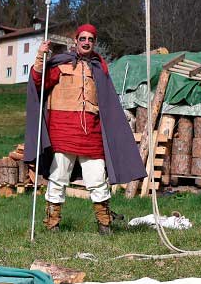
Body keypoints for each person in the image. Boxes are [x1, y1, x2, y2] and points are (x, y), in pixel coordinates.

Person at [24, 24, 143, 234]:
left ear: (93, 43)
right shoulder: (60, 65)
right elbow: (37, 82)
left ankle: (104, 224)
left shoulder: (99, 70)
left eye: (90, 39)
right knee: (58, 176)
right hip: (62, 131)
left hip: (91, 133)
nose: (86, 42)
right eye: (83, 39)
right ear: (76, 41)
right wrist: (41, 56)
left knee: (97, 178)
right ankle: (53, 223)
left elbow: (108, 103)